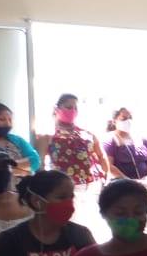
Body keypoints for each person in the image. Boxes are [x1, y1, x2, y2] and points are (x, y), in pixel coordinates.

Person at [40, 94, 108, 223]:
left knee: (91, 223)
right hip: (64, 189)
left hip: (92, 186)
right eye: (68, 107)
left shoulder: (87, 133)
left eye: (75, 108)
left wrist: (106, 178)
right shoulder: (48, 135)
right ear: (57, 109)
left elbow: (101, 156)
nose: (72, 111)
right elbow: (40, 164)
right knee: (69, 224)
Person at [104, 108, 147, 184]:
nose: (128, 121)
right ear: (114, 121)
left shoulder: (143, 137)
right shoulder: (110, 140)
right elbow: (109, 166)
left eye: (130, 117)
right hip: (123, 186)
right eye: (124, 118)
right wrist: (131, 183)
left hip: (145, 184)